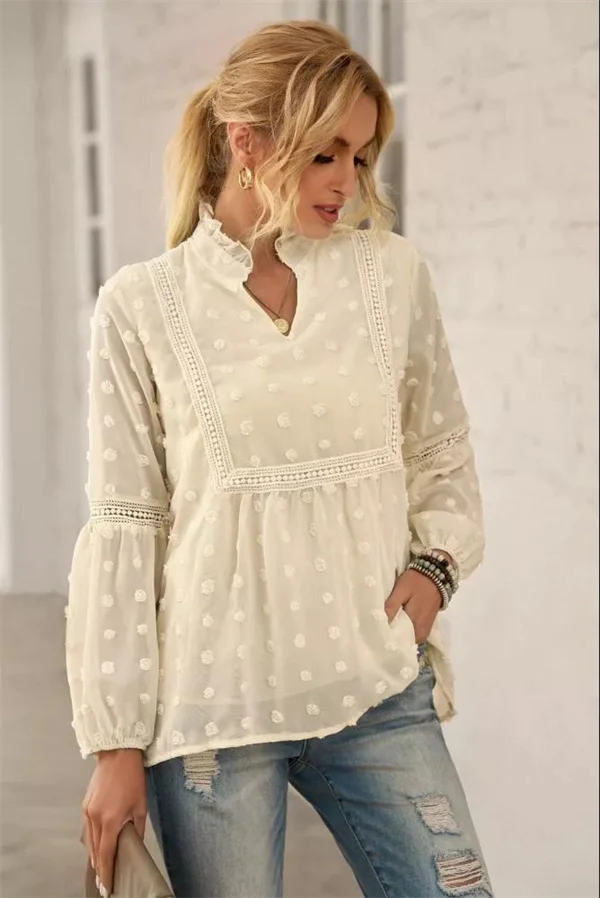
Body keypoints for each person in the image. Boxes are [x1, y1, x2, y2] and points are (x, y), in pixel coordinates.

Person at [65, 19, 493, 898]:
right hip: (213, 715)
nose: (347, 181)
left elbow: (440, 445)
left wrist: (436, 568)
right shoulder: (140, 307)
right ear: (247, 142)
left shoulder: (391, 276)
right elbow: (127, 524)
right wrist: (116, 747)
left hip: (376, 687)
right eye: (325, 153)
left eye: (361, 158)